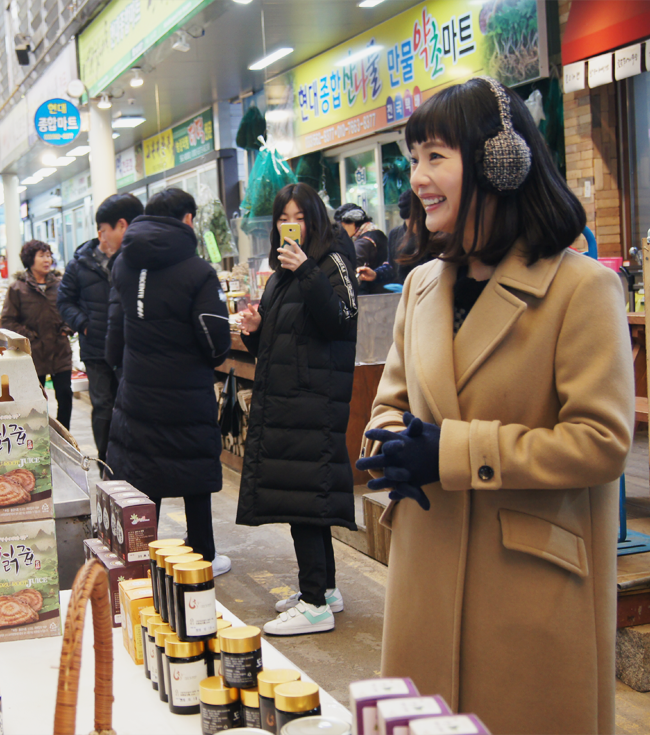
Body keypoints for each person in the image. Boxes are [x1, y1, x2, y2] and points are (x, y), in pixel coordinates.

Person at [356, 77, 633, 734]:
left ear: (497, 160)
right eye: (413, 158)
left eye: (435, 156)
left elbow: (601, 439)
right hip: (425, 567)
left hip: (528, 590)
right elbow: (387, 406)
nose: (417, 177)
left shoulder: (581, 289)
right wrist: (389, 448)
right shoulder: (423, 285)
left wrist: (452, 451)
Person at [236, 183, 359, 635]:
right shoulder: (281, 275)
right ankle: (324, 590)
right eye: (284, 217)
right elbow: (281, 339)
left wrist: (307, 270)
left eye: (300, 216)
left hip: (314, 401)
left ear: (316, 219)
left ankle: (313, 604)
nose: (292, 224)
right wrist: (255, 329)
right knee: (302, 500)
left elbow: (339, 321)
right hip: (288, 400)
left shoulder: (332, 263)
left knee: (307, 498)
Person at [106, 188, 232, 575]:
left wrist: (127, 372)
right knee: (193, 474)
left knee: (145, 476)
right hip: (186, 392)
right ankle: (202, 557)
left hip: (139, 390)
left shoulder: (123, 265)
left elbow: (114, 337)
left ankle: (143, 559)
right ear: (189, 220)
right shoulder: (198, 271)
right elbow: (215, 340)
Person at [57, 194, 144, 471]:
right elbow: (64, 301)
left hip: (127, 345)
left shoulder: (131, 258)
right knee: (103, 406)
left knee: (129, 404)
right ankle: (106, 462)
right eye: (103, 230)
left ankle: (129, 458)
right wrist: (84, 323)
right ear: (100, 232)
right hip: (95, 348)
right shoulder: (79, 263)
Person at [0, 240, 73, 429]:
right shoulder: (18, 288)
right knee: (34, 401)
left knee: (65, 393)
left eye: (48, 255)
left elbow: (71, 309)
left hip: (60, 350)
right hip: (33, 354)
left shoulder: (61, 285)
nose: (47, 260)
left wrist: (67, 327)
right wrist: (29, 336)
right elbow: (7, 321)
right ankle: (37, 436)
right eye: (41, 255)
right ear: (30, 259)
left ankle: (65, 437)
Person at [334, 203, 388, 293]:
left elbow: (352, 268)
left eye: (342, 226)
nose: (341, 230)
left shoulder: (363, 242)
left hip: (371, 294)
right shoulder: (377, 233)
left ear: (353, 223)